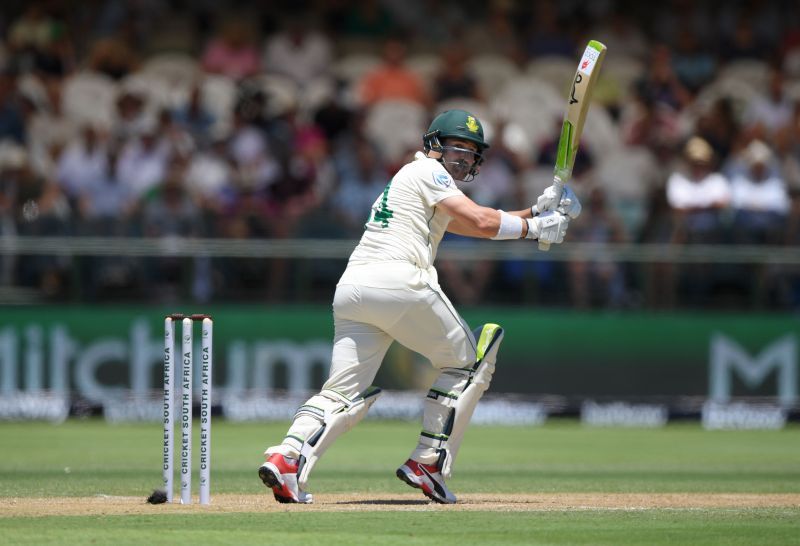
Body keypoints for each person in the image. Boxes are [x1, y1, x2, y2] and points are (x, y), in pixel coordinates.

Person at [257, 109, 579, 504]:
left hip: (354, 289)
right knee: (469, 363)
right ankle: (429, 462)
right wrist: (535, 229)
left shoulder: (415, 180)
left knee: (341, 392)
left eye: (471, 152)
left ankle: (286, 458)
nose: (463, 157)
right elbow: (480, 221)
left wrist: (535, 212)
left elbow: (471, 224)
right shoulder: (429, 172)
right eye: (456, 147)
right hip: (399, 281)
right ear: (433, 145)